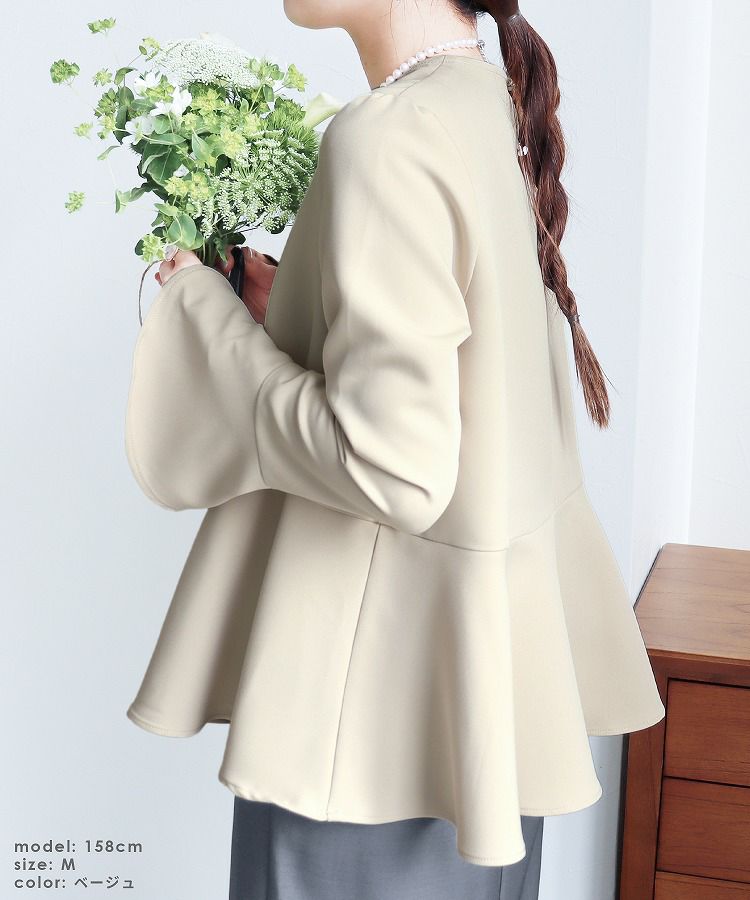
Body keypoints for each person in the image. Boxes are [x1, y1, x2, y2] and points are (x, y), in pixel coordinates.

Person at [124, 0, 666, 897]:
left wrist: (207, 324)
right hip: (468, 707)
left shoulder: (386, 135)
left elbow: (394, 468)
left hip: (365, 721)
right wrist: (292, 315)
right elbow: (470, 385)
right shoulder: (479, 100)